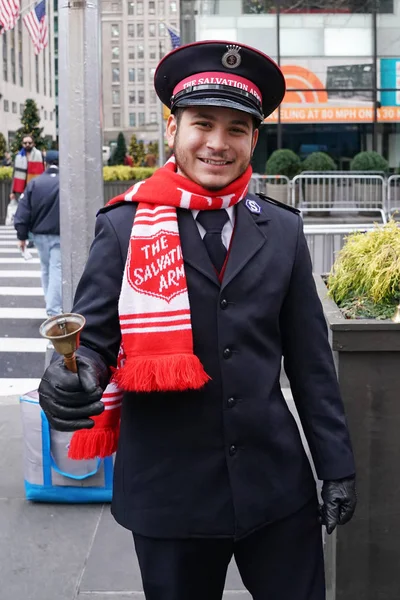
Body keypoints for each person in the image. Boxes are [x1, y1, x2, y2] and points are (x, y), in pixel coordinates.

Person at [38, 41, 356, 600]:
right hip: (169, 495)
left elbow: (310, 364)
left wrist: (337, 466)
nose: (217, 142)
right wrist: (71, 372)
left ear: (253, 140)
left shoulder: (281, 231)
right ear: (172, 129)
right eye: (202, 123)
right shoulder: (124, 227)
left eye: (236, 129)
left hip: (275, 491)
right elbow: (94, 341)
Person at [14, 150, 62, 316]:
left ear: (45, 163)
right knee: (57, 269)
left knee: (46, 268)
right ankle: (53, 309)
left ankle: (50, 301)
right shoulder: (65, 182)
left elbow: (23, 211)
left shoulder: (35, 183)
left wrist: (22, 236)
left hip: (40, 235)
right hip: (59, 234)